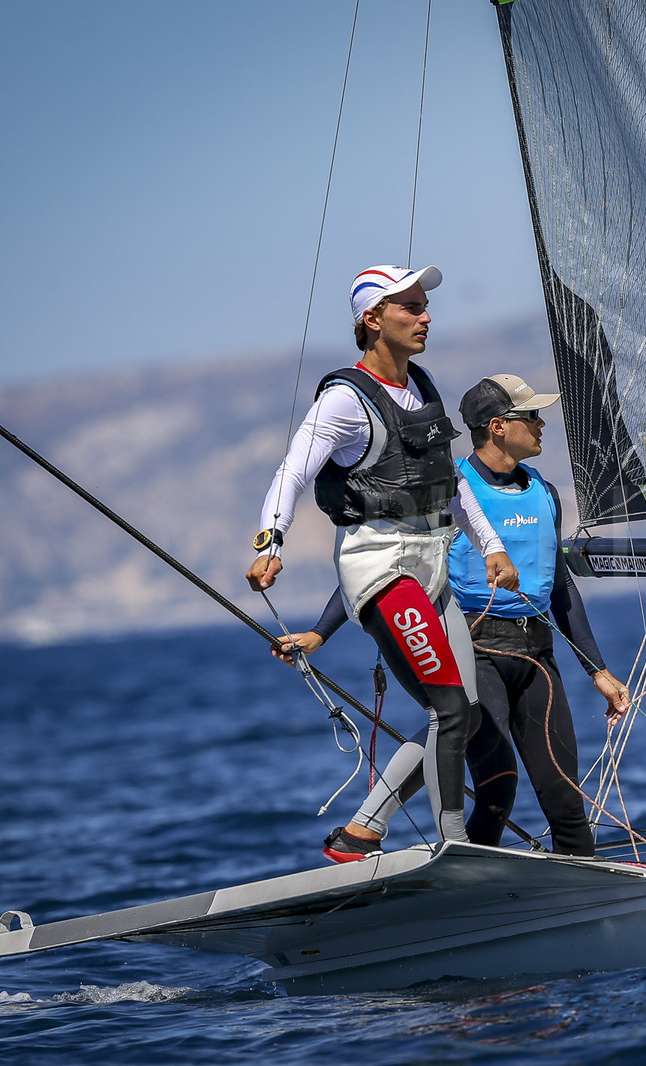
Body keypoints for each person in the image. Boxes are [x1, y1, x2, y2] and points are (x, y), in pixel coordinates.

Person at [246, 264, 518, 861]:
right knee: (450, 709)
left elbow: (447, 481)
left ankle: (362, 832)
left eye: (425, 306)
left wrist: (491, 545)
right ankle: (457, 847)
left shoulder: (422, 385)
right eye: (411, 307)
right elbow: (292, 471)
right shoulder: (344, 400)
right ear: (371, 319)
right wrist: (271, 543)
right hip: (382, 568)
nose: (426, 317)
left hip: (433, 564)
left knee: (467, 714)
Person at [448, 374, 631, 856]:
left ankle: (589, 889)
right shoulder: (452, 490)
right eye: (530, 416)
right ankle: (469, 881)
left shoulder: (545, 493)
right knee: (497, 789)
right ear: (498, 426)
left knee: (566, 799)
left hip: (537, 656)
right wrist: (322, 632)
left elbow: (561, 586)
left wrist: (597, 670)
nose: (541, 423)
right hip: (476, 653)